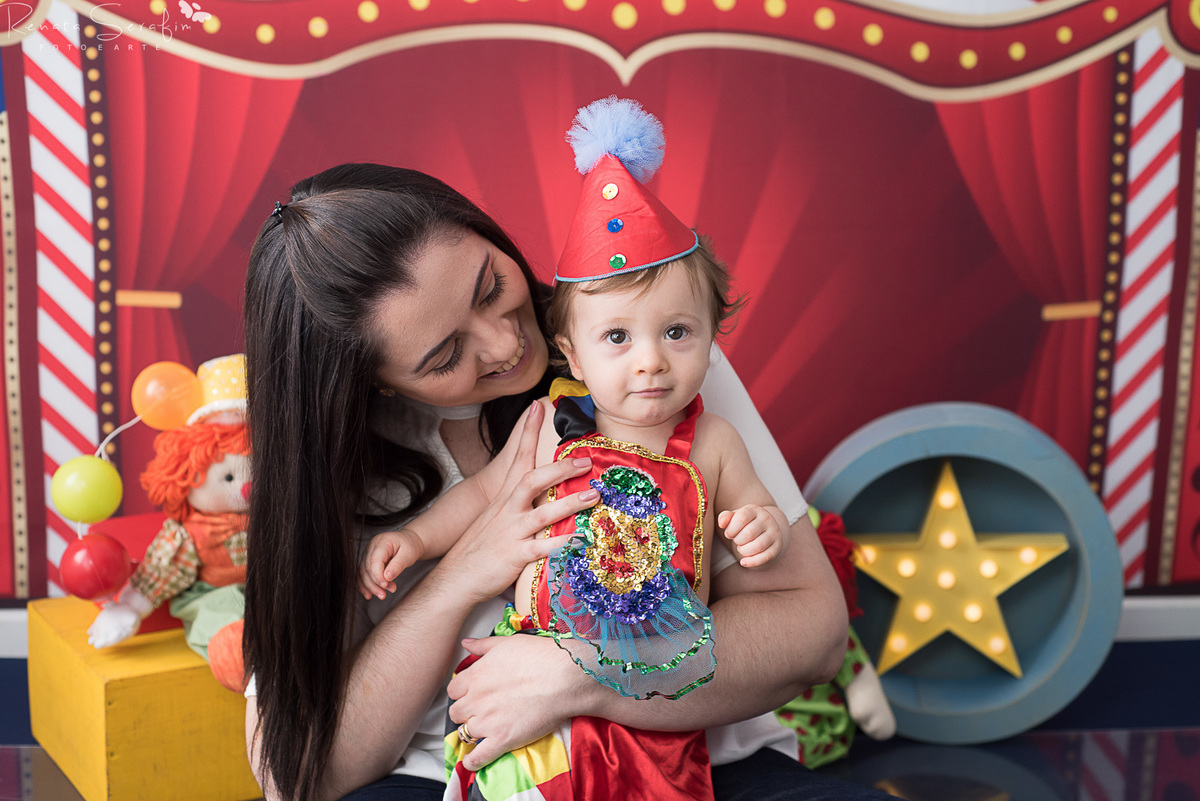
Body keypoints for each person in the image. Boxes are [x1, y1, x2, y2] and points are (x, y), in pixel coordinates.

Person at [242, 156, 892, 801]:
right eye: (445, 357)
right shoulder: (324, 473)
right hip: (458, 775)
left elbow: (814, 634)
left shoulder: (642, 348)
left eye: (491, 286)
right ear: (375, 380)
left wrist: (590, 674)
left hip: (696, 760)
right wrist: (459, 574)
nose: (502, 345)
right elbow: (294, 772)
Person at [357, 98, 791, 800]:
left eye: (678, 333)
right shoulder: (553, 420)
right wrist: (414, 539)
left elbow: (755, 512)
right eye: (619, 338)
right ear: (576, 355)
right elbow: (480, 497)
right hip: (537, 641)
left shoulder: (711, 438)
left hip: (652, 659)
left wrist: (759, 527)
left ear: (713, 335)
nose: (651, 362)